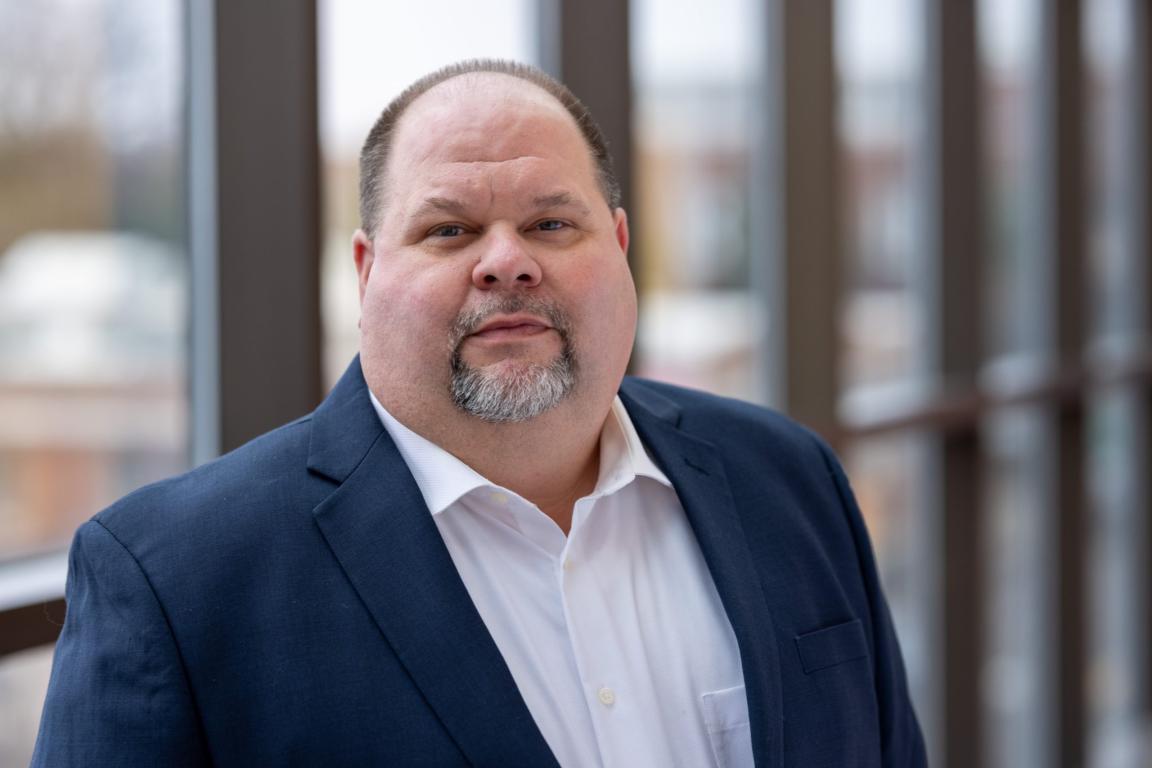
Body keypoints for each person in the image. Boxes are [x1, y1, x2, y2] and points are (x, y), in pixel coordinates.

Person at [32, 60, 926, 767]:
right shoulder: (176, 580)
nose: (507, 263)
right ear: (366, 270)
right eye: (449, 230)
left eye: (550, 225)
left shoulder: (786, 477)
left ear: (618, 247)